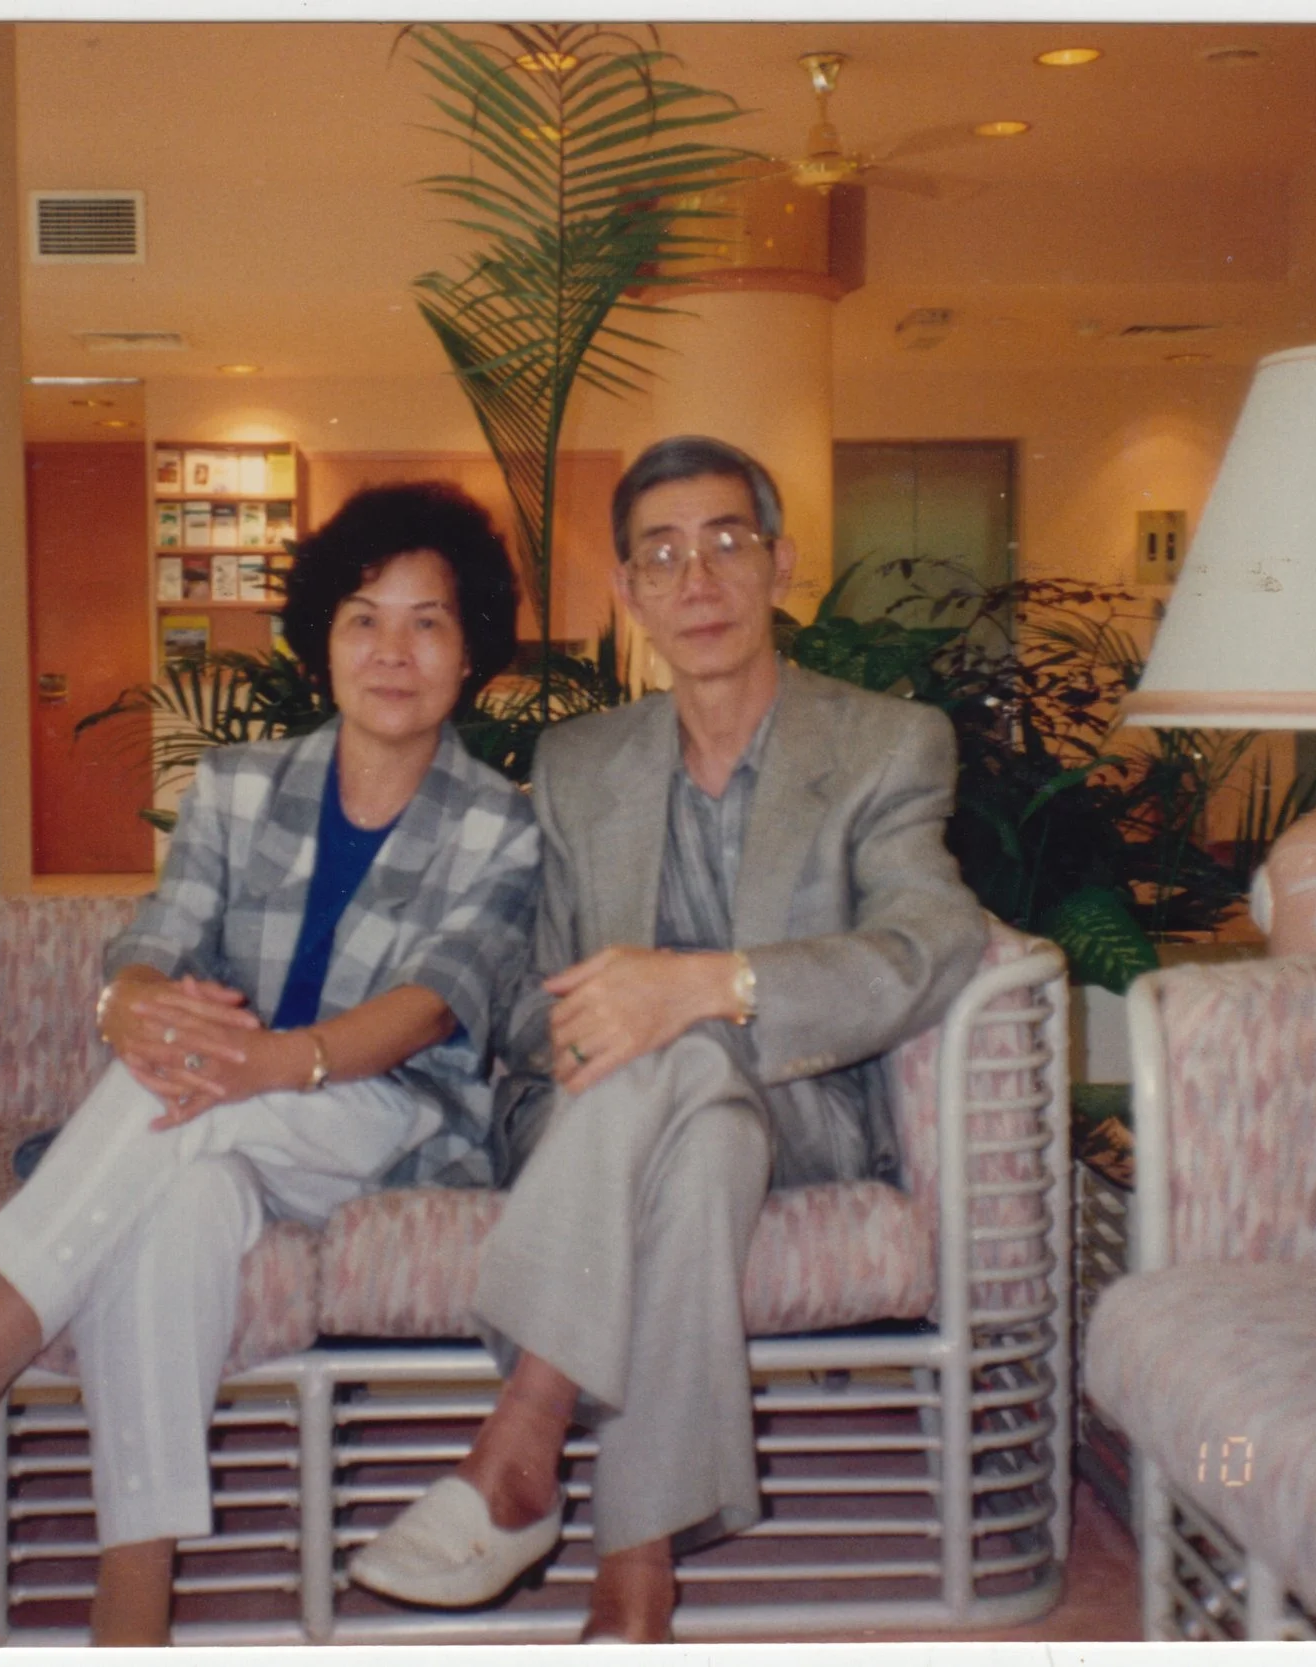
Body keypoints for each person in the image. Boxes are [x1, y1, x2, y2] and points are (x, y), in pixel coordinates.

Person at [0, 482, 540, 1646]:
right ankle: (133, 1605)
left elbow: (429, 1006)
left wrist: (272, 1058)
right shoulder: (238, 785)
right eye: (364, 617)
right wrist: (133, 1005)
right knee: (186, 1195)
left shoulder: (500, 822)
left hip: (387, 1116)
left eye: (428, 622)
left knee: (187, 1099)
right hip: (215, 1109)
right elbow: (156, 937)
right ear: (322, 640)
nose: (392, 649)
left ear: (469, 655)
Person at [347, 436, 989, 1642]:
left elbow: (932, 941)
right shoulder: (579, 761)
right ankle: (633, 1571)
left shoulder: (885, 743)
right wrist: (599, 1031)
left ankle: (524, 1435)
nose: (696, 579)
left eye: (725, 543)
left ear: (779, 565)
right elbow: (524, 986)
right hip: (588, 1106)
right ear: (629, 590)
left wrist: (709, 985)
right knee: (682, 1110)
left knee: (689, 1048)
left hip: (801, 1105)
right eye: (661, 554)